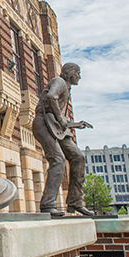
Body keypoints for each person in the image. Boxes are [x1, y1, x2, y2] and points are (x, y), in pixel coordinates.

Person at [32, 62, 94, 217]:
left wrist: (75, 124)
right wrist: (61, 117)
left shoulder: (67, 89)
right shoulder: (59, 82)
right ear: (71, 73)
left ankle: (75, 201)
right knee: (58, 160)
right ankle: (47, 205)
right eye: (78, 73)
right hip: (43, 123)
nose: (79, 77)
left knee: (78, 157)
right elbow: (51, 96)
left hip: (55, 127)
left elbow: (59, 120)